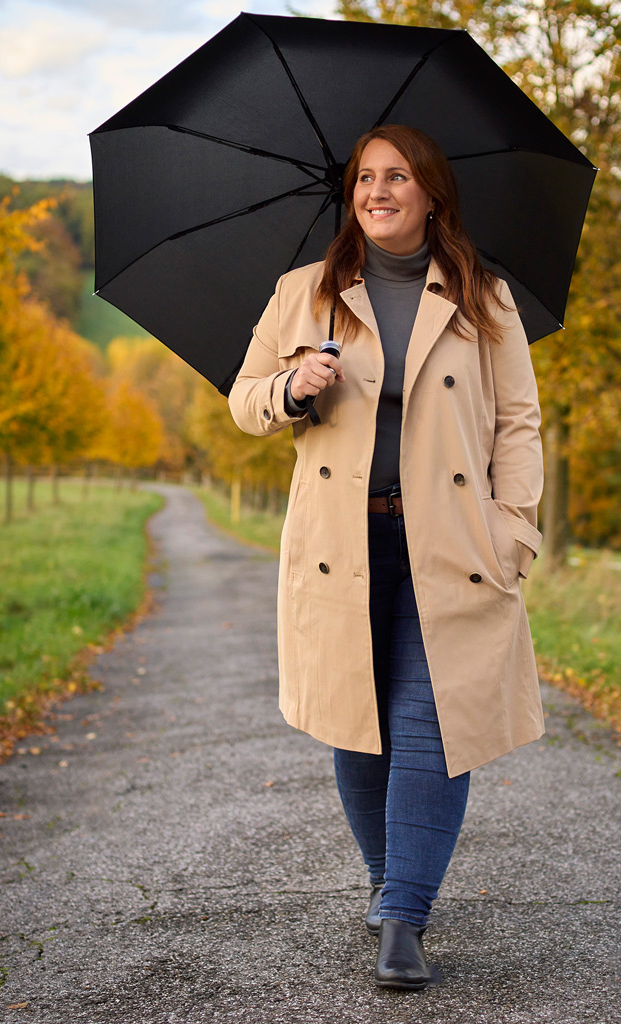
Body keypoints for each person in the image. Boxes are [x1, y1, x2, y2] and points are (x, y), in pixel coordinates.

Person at [228, 124, 544, 990]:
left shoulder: (486, 298)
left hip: (451, 543)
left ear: (431, 194)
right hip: (342, 543)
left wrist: (513, 526)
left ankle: (404, 916)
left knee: (431, 727)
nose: (378, 190)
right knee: (357, 726)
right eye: (365, 177)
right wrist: (290, 391)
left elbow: (519, 422)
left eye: (397, 175)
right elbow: (243, 401)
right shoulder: (306, 293)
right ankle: (382, 877)